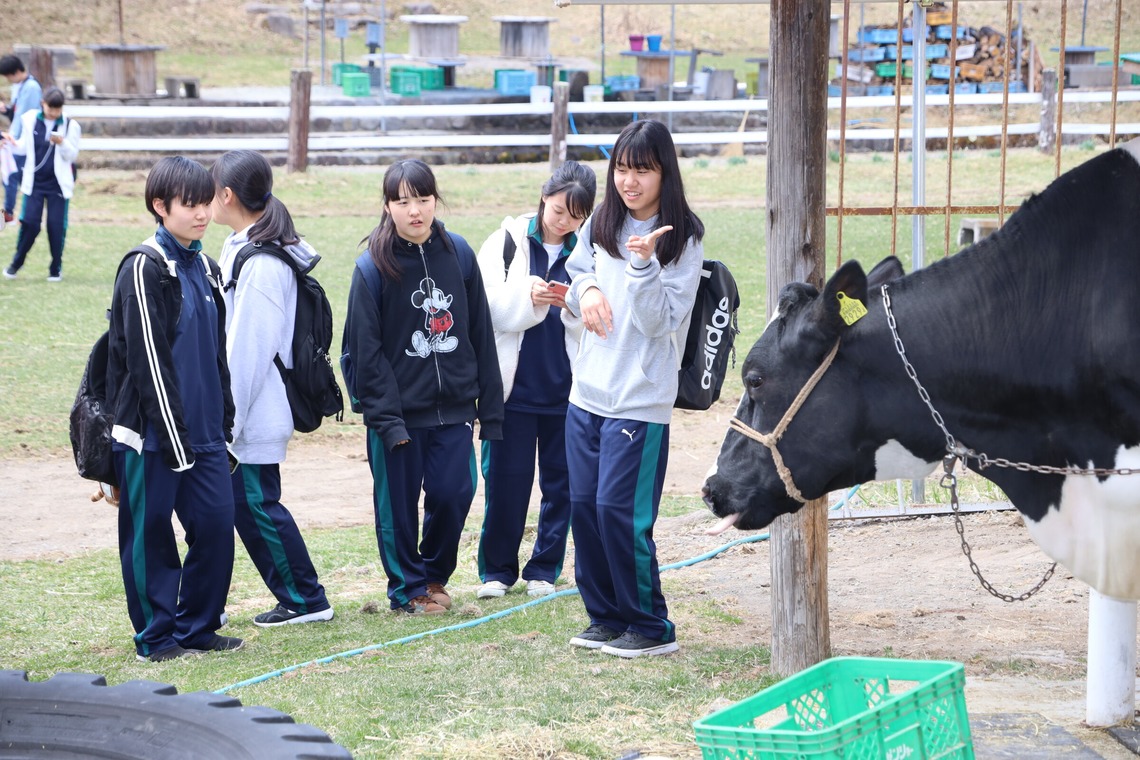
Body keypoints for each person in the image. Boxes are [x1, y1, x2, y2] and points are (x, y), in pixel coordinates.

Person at [561, 120, 705, 658]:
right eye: (622, 168)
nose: (628, 181)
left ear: (664, 172)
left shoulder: (683, 237)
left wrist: (642, 265)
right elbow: (576, 271)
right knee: (583, 507)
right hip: (587, 393)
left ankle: (650, 625)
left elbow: (659, 322)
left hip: (639, 402)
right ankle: (606, 616)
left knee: (619, 511)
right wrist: (590, 289)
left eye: (641, 169)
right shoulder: (603, 220)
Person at [343, 158, 504, 615]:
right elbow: (365, 353)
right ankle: (408, 589)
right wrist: (387, 421)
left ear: (436, 201)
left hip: (454, 408)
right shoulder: (372, 267)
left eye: (423, 198)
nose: (415, 210)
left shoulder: (459, 254)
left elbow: (480, 336)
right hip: (397, 415)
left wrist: (489, 411)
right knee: (397, 508)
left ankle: (434, 577)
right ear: (388, 206)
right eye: (403, 200)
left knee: (455, 494)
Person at [105, 156, 243, 662]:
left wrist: (224, 422)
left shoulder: (207, 267)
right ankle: (156, 638)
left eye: (206, 201)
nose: (202, 213)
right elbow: (146, 361)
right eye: (189, 204)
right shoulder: (143, 267)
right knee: (151, 536)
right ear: (160, 207)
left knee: (214, 527)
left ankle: (197, 627)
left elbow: (216, 353)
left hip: (205, 434)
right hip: (153, 436)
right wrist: (173, 435)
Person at [210, 149, 335, 628]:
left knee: (257, 506)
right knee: (246, 506)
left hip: (256, 410)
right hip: (247, 408)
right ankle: (296, 597)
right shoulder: (243, 243)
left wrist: (227, 423)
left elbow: (248, 352)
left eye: (210, 192)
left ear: (226, 196)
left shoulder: (262, 262)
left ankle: (306, 599)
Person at [474, 161, 596, 600]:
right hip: (511, 391)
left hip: (567, 392)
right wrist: (529, 296)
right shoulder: (505, 241)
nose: (563, 221)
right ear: (545, 196)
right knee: (506, 484)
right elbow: (484, 307)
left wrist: (571, 306)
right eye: (559, 209)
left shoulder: (587, 252)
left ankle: (545, 568)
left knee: (562, 486)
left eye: (575, 216)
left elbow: (599, 319)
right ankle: (497, 571)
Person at [2, 87, 79, 280]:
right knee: (30, 224)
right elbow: (23, 149)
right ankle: (16, 263)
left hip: (58, 185)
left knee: (56, 226)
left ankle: (55, 268)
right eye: (50, 108)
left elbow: (72, 155)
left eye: (57, 109)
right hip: (34, 182)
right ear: (42, 104)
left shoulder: (70, 125)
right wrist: (11, 142)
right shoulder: (29, 119)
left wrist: (61, 142)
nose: (53, 113)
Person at [0, 54, 42, 227]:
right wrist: (6, 110)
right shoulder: (21, 86)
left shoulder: (31, 87)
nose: (8, 80)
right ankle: (13, 214)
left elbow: (27, 117)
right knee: (13, 177)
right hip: (15, 139)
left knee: (11, 177)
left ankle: (8, 214)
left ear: (16, 71)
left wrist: (12, 138)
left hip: (22, 142)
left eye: (8, 76)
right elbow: (16, 114)